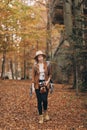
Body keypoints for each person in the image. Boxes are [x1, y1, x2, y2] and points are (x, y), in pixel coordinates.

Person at [31, 50, 52, 124]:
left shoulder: (47, 64)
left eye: (41, 56)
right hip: (37, 85)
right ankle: (41, 117)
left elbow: (50, 74)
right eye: (39, 57)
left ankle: (46, 113)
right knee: (39, 101)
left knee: (45, 100)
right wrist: (33, 87)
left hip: (45, 84)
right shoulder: (34, 66)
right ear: (37, 58)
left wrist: (48, 81)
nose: (40, 58)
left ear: (43, 57)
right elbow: (33, 76)